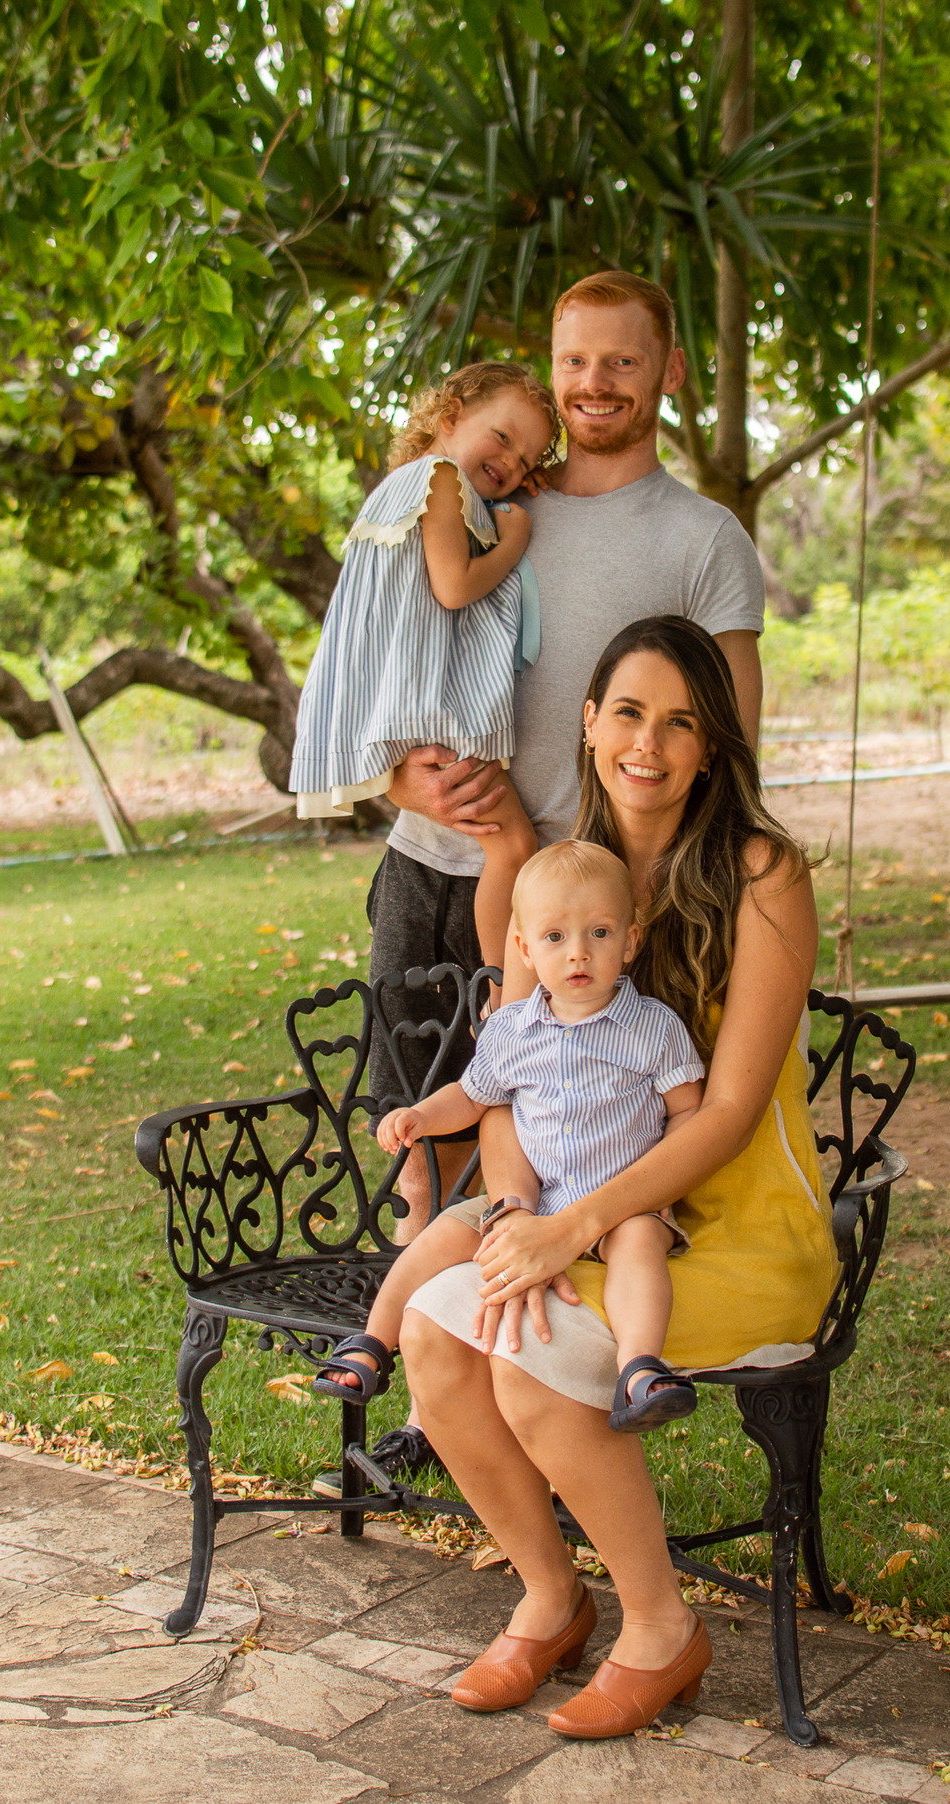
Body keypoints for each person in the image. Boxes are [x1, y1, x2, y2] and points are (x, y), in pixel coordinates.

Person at [390, 615, 838, 1737]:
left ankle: (659, 1628)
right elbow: (503, 1089)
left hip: (729, 1221)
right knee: (437, 1333)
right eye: (630, 712)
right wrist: (519, 1216)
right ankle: (550, 1598)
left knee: (531, 1365)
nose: (652, 742)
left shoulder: (761, 874)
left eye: (682, 722)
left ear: (712, 746)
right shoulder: (555, 879)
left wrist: (578, 1222)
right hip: (566, 1210)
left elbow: (729, 1113)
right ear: (589, 725)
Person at [356, 270, 765, 1482]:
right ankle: (442, 1396)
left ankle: (536, 1393)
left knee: (557, 1127)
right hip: (441, 861)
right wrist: (403, 787)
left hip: (585, 909)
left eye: (623, 364)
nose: (594, 386)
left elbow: (731, 733)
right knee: (428, 1139)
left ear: (669, 372)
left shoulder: (700, 538)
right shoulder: (485, 501)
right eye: (574, 363)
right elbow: (388, 653)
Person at [312, 839, 705, 1432]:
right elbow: (473, 1096)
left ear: (630, 940)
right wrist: (421, 1115)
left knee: (641, 1246)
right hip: (530, 1199)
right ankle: (371, 1343)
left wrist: (656, 1185)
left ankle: (640, 1368)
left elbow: (688, 1113)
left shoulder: (653, 1028)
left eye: (599, 933)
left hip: (620, 1201)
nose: (578, 953)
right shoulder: (512, 1031)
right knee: (443, 1233)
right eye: (555, 938)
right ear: (524, 947)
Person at [289, 361, 558, 968]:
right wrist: (514, 538)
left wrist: (506, 490)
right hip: (433, 712)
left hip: (406, 702)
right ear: (450, 415)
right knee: (513, 845)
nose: (512, 465)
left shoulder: (406, 487)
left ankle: (497, 984)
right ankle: (500, 989)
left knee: (505, 846)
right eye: (504, 438)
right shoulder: (439, 481)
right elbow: (455, 586)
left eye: (527, 461)